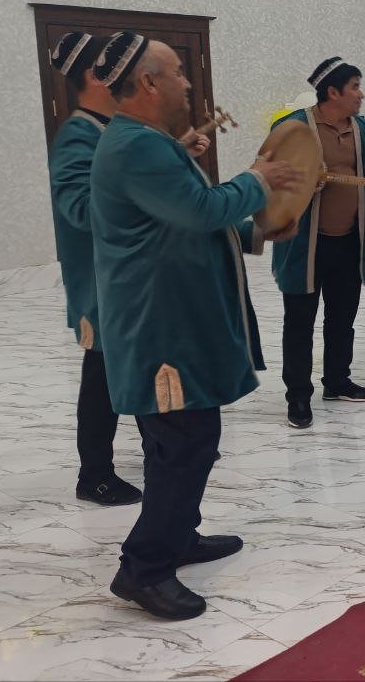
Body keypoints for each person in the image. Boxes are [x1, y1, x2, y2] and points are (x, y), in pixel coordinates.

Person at [89, 32, 301, 620]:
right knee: (182, 445)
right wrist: (257, 179)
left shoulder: (147, 141)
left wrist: (256, 232)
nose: (188, 83)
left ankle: (179, 535)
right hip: (160, 329)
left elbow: (178, 222)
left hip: (172, 320)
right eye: (178, 72)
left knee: (186, 441)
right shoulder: (137, 146)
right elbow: (201, 210)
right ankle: (144, 569)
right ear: (148, 83)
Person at [271, 57, 365, 429]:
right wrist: (305, 182)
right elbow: (268, 178)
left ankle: (337, 381)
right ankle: (298, 396)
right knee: (299, 322)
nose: (360, 94)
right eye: (354, 87)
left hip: (351, 241)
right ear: (333, 92)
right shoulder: (291, 128)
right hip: (304, 247)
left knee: (342, 318)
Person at [47, 31, 142, 507]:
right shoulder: (78, 137)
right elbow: (81, 210)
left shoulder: (114, 129)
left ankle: (166, 446)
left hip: (131, 279)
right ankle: (95, 475)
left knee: (136, 367)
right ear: (94, 74)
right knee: (102, 377)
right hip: (103, 284)